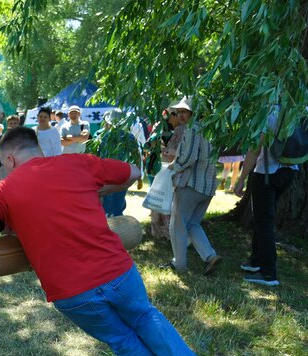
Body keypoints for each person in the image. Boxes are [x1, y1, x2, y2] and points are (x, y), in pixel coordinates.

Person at [0, 125, 235, 356]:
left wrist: (7, 220)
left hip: (72, 291)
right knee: (145, 316)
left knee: (123, 341)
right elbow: (133, 172)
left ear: (10, 160)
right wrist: (98, 188)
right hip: (116, 270)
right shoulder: (77, 162)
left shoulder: (3, 190)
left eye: (3, 164)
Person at [233, 106, 303, 286]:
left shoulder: (272, 112)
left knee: (264, 222)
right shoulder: (303, 110)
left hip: (267, 173)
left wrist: (241, 179)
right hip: (289, 172)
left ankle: (268, 273)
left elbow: (255, 148)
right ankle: (256, 261)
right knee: (263, 218)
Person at [165, 97, 221, 275]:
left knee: (177, 225)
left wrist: (173, 167)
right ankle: (210, 256)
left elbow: (189, 158)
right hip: (208, 186)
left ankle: (179, 264)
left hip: (191, 184)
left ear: (194, 113)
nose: (180, 115)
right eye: (179, 111)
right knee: (192, 224)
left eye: (184, 111)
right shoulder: (211, 129)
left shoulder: (192, 130)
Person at [94, 109, 143, 217]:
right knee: (118, 200)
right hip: (122, 173)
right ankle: (116, 221)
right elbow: (136, 156)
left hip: (106, 173)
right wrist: (138, 173)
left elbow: (99, 156)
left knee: (106, 200)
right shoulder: (128, 137)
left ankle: (107, 220)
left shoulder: (105, 136)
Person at [144, 109, 184, 239]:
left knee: (166, 201)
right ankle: (163, 231)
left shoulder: (181, 130)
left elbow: (178, 151)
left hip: (172, 170)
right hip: (167, 169)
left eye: (171, 117)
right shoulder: (166, 128)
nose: (170, 120)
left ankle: (166, 232)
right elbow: (149, 144)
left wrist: (167, 151)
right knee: (163, 199)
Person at [0, 114, 21, 180]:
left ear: (18, 124)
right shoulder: (3, 137)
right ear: (7, 124)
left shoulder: (22, 137)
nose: (13, 125)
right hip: (5, 167)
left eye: (15, 123)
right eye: (11, 123)